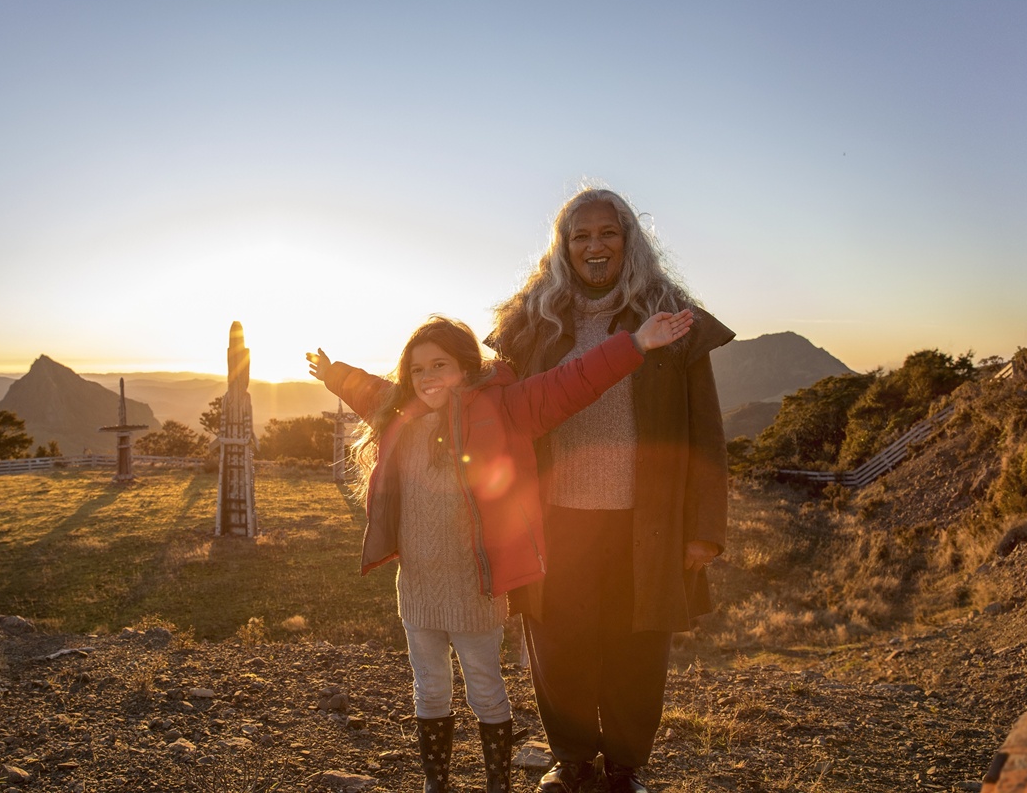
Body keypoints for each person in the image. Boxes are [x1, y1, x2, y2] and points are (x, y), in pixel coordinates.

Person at [308, 309, 693, 793]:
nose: (428, 378)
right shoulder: (399, 413)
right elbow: (367, 390)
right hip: (418, 589)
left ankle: (498, 787)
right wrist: (334, 374)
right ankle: (436, 785)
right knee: (429, 689)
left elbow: (569, 383)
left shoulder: (504, 407)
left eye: (440, 365)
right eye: (418, 368)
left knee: (486, 690)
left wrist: (634, 343)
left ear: (467, 369)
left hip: (477, 588)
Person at [485, 188, 733, 793]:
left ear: (629, 241)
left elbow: (705, 430)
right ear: (563, 246)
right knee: (558, 644)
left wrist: (704, 529)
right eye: (581, 236)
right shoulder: (531, 321)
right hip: (554, 516)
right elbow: (498, 414)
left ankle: (623, 769)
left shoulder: (671, 317)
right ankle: (571, 763)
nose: (594, 247)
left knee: (636, 648)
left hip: (642, 518)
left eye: (608, 234)